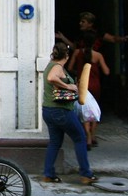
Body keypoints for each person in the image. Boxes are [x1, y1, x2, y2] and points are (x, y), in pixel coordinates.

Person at [41, 41, 97, 185]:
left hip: (48, 110)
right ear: (66, 55)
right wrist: (68, 86)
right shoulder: (57, 67)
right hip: (61, 111)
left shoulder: (50, 65)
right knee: (80, 138)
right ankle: (86, 174)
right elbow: (51, 78)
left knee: (55, 142)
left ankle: (48, 174)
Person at [69, 29, 110, 149]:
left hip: (82, 85)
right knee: (94, 110)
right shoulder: (98, 55)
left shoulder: (77, 53)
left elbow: (70, 68)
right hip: (95, 85)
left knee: (84, 110)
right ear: (94, 42)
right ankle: (92, 135)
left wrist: (78, 73)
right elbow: (106, 72)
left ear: (82, 41)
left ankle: (87, 135)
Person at [56, 11, 128, 51]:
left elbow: (112, 38)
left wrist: (123, 39)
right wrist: (62, 37)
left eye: (83, 22)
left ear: (90, 24)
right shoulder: (80, 35)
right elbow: (74, 47)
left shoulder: (98, 33)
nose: (80, 23)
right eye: (80, 21)